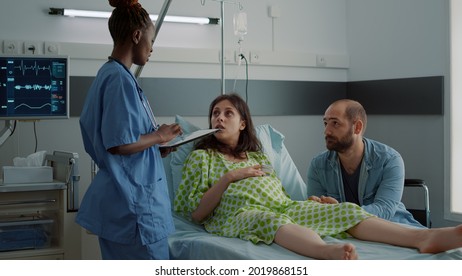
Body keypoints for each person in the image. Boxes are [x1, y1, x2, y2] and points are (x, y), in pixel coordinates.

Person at [174, 93, 462, 260]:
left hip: (283, 206)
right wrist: (230, 177)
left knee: (342, 211)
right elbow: (197, 214)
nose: (219, 119)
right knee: (270, 220)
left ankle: (424, 237)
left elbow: (283, 197)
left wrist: (310, 203)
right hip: (241, 214)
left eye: (227, 113)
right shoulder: (202, 157)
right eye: (214, 114)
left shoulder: (259, 156)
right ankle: (326, 252)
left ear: (243, 123)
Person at [76, 0, 182, 260]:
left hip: (124, 202)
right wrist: (160, 135)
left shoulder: (112, 75)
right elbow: (118, 143)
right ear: (137, 36)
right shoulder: (119, 80)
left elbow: (128, 140)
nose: (152, 48)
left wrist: (157, 149)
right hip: (135, 208)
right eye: (151, 40)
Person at [307, 99, 424, 227]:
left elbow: (384, 211)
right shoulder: (318, 166)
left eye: (335, 123)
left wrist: (341, 213)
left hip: (395, 226)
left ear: (357, 127)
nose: (327, 131)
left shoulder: (390, 160)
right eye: (325, 123)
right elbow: (317, 214)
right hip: (344, 232)